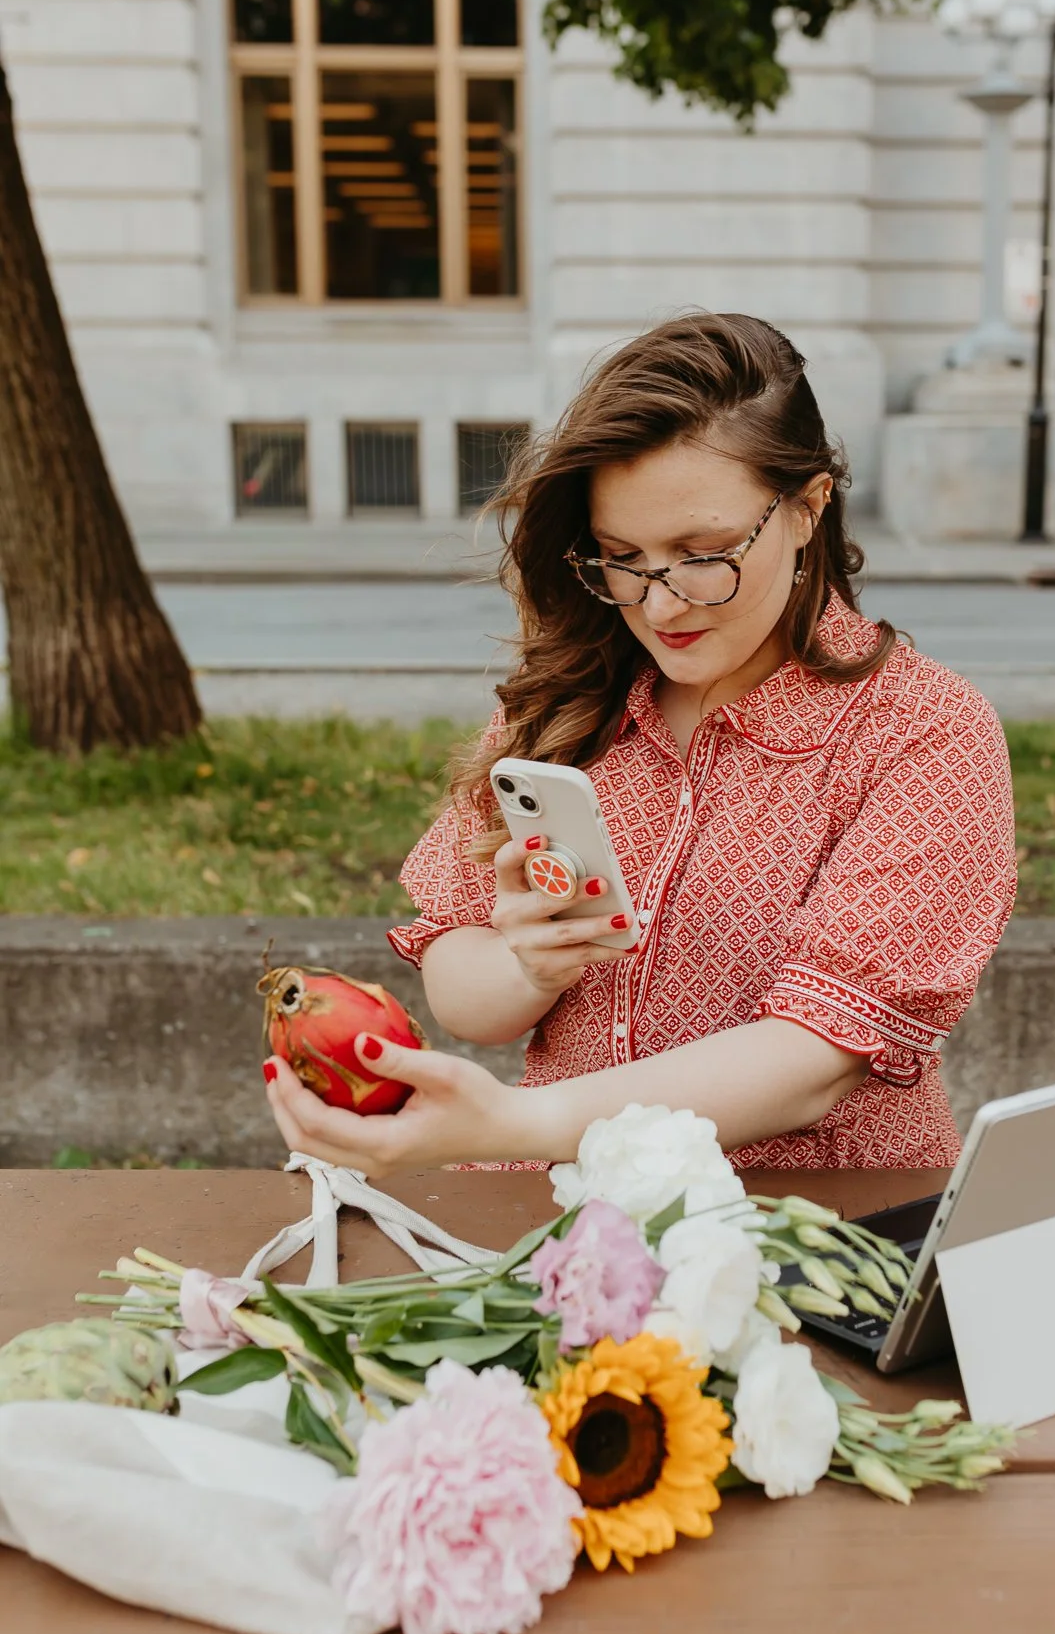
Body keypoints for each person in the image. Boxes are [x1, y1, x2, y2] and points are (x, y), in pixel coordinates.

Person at [265, 313, 1017, 1179]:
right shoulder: (568, 702)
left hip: (817, 1237)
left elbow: (814, 1056)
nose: (658, 607)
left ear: (808, 507)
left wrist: (518, 1122)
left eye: (703, 555)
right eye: (621, 557)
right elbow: (458, 978)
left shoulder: (924, 729)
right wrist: (526, 967)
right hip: (565, 1230)